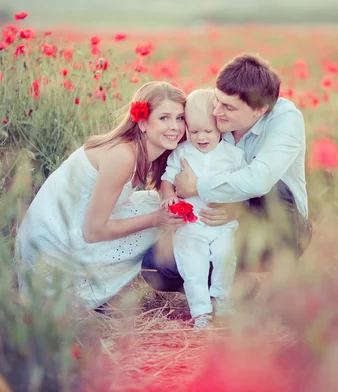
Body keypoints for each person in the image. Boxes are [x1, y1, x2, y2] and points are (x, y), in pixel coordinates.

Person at [141, 53, 312, 294]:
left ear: (260, 109)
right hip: (215, 224)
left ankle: (286, 288)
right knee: (157, 267)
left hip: (277, 226)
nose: (218, 111)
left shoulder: (285, 118)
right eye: (218, 100)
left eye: (229, 107)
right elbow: (172, 159)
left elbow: (261, 180)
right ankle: (239, 288)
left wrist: (198, 187)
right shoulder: (210, 115)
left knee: (276, 188)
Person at [15, 81, 188, 310]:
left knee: (155, 203)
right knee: (156, 217)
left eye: (180, 118)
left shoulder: (149, 152)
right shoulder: (122, 156)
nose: (174, 126)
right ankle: (205, 285)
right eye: (164, 117)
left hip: (76, 225)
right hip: (55, 246)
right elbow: (93, 230)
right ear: (143, 122)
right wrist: (155, 219)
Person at [160, 89, 246, 330]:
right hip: (191, 222)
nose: (201, 137)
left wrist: (236, 207)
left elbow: (244, 188)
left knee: (225, 255)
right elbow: (167, 179)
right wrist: (168, 196)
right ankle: (200, 313)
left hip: (222, 224)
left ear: (221, 126)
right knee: (192, 264)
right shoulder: (182, 152)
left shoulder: (234, 155)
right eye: (194, 131)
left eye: (208, 131)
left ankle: (222, 298)